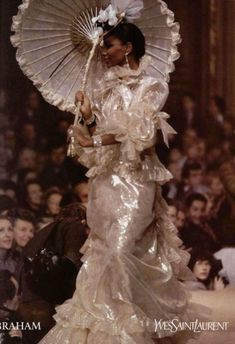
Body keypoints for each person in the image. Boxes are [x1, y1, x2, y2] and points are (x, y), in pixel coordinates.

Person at [39, 16, 204, 343]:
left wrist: (94, 140)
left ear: (128, 47)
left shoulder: (153, 86)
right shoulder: (102, 88)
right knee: (103, 250)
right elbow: (97, 131)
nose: (103, 51)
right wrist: (87, 115)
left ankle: (137, 322)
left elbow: (140, 134)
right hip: (105, 181)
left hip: (137, 179)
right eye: (103, 46)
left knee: (122, 249)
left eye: (110, 45)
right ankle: (110, 327)